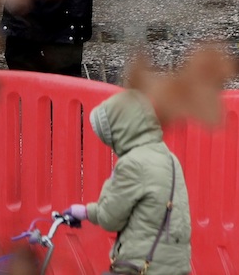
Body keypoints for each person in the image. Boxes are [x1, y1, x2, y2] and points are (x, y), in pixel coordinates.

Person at [66, 89, 193, 275]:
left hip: (143, 266)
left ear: (121, 130)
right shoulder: (169, 157)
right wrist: (87, 212)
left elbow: (110, 219)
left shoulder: (132, 163)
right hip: (176, 265)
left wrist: (111, 181)